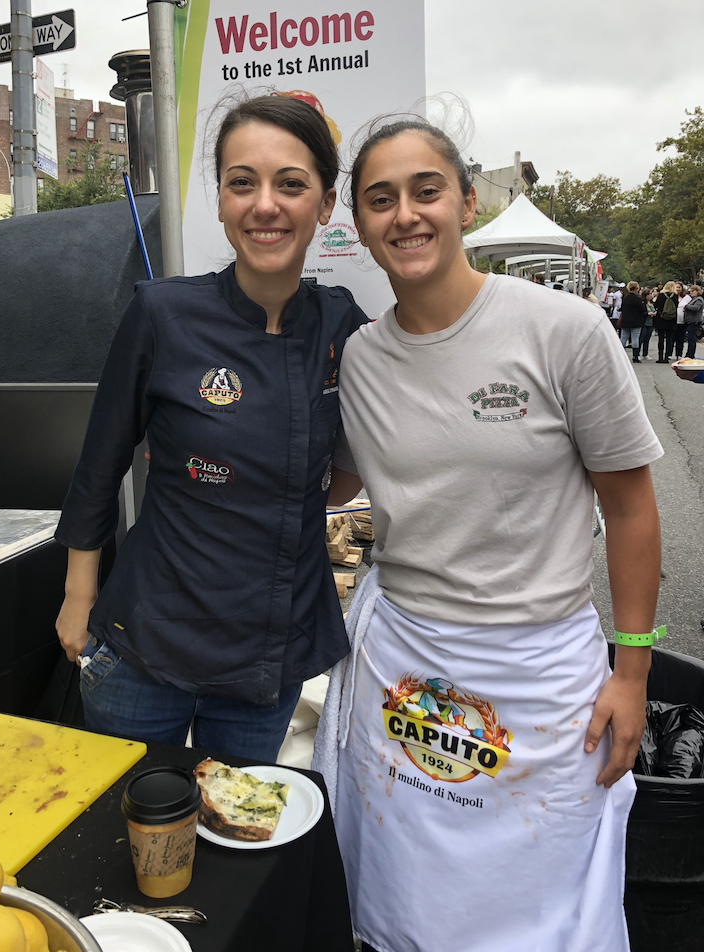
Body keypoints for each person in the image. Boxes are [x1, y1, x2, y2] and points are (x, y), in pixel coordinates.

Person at [315, 116, 663, 952]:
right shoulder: (359, 358)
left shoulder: (565, 332)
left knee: (540, 902)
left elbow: (631, 508)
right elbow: (336, 487)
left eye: (426, 191)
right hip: (404, 669)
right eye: (381, 199)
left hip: (541, 677)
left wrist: (633, 669)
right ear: (357, 227)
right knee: (403, 894)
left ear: (467, 201)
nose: (406, 215)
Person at [54, 94, 367, 761]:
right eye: (241, 183)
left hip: (265, 653)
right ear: (220, 200)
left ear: (326, 205)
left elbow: (348, 473)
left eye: (291, 184)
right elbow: (99, 465)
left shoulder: (344, 326)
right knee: (126, 840)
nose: (265, 205)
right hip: (147, 639)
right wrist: (78, 594)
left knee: (236, 842)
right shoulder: (163, 315)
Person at [619, 280, 646, 362]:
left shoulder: (625, 298)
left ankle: (620, 355)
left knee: (623, 338)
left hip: (625, 321)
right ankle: (635, 356)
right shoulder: (637, 299)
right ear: (637, 288)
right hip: (636, 321)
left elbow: (622, 308)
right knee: (635, 339)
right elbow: (642, 310)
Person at [654, 280, 679, 362]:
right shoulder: (675, 296)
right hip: (672, 319)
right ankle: (667, 357)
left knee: (661, 339)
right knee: (669, 339)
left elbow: (656, 305)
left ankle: (660, 357)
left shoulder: (661, 295)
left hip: (661, 319)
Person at [681, 285, 704, 358]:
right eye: (690, 291)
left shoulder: (699, 299)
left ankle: (690, 354)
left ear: (697, 291)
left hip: (694, 322)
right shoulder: (693, 299)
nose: (691, 293)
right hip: (690, 321)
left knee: (691, 339)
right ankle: (689, 354)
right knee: (690, 338)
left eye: (693, 291)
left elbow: (696, 308)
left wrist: (686, 307)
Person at [675, 282, 691, 359]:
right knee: (672, 338)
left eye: (679, 287)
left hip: (682, 321)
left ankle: (679, 354)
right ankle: (669, 354)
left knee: (680, 338)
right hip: (672, 320)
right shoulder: (671, 296)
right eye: (676, 287)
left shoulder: (687, 297)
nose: (677, 289)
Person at [639, 287, 656, 358]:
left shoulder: (652, 303)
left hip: (651, 323)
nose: (650, 295)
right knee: (641, 338)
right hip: (644, 322)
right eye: (648, 294)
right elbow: (641, 313)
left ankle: (645, 353)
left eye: (650, 294)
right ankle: (637, 353)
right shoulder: (642, 303)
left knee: (647, 339)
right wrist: (647, 313)